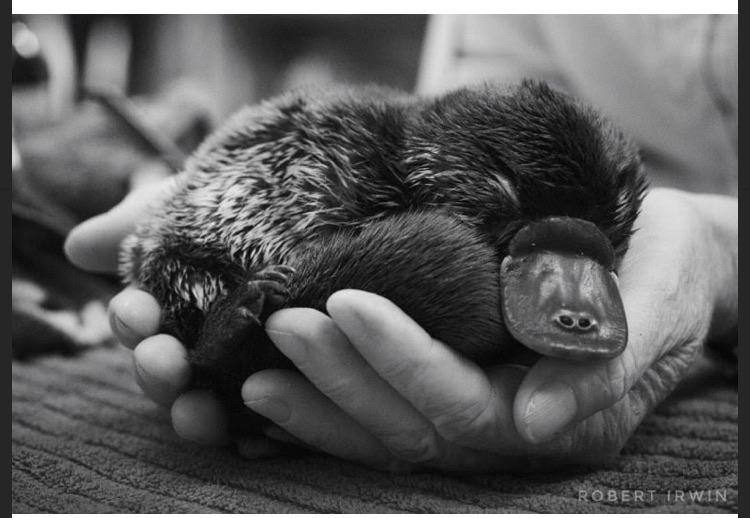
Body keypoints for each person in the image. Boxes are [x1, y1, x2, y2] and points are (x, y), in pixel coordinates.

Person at [65, 14, 737, 472]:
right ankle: (236, 342)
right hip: (214, 264)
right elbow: (491, 74)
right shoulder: (413, 154)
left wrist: (720, 253)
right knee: (436, 280)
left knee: (441, 283)